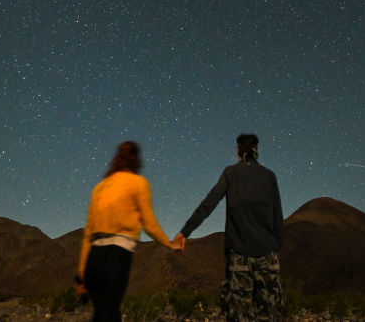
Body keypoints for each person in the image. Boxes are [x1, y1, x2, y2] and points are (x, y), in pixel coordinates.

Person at [173, 133, 284, 322]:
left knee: (237, 315)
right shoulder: (269, 176)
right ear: (257, 151)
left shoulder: (230, 174)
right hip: (267, 255)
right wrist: (275, 246)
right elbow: (278, 218)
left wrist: (186, 231)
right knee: (271, 314)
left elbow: (208, 204)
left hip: (239, 256)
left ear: (238, 151)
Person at [77, 140, 181, 321]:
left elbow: (88, 233)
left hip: (94, 258)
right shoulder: (138, 183)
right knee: (107, 312)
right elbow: (149, 224)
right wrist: (169, 244)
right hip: (117, 255)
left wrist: (81, 273)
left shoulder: (99, 188)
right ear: (136, 160)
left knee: (106, 312)